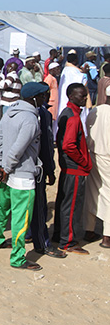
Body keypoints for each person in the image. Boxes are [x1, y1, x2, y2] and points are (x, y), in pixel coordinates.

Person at [0, 82, 49, 270]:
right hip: (21, 173)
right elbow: (19, 148)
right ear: (33, 98)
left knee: (1, 207)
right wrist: (6, 166)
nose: (44, 100)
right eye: (41, 96)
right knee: (21, 217)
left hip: (7, 171)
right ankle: (17, 258)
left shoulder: (10, 112)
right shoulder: (30, 119)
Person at [53, 83, 92, 255]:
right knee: (72, 205)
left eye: (85, 95)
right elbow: (69, 145)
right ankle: (67, 242)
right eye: (81, 96)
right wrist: (83, 162)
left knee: (64, 202)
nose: (84, 98)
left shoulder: (68, 113)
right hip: (74, 169)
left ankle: (59, 235)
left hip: (68, 167)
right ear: (71, 96)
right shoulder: (73, 118)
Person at [30, 85, 67, 258]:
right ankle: (42, 243)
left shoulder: (16, 110)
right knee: (39, 206)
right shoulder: (42, 114)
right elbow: (45, 145)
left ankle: (30, 234)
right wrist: (50, 170)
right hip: (37, 167)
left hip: (21, 167)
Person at [85, 85, 110, 249]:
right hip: (107, 157)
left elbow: (88, 130)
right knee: (108, 195)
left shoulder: (95, 111)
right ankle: (107, 236)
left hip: (93, 154)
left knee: (92, 192)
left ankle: (89, 229)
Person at [56, 50, 86, 128]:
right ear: (75, 60)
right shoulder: (75, 71)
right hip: (74, 97)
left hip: (66, 97)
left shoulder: (65, 70)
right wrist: (85, 73)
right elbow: (81, 83)